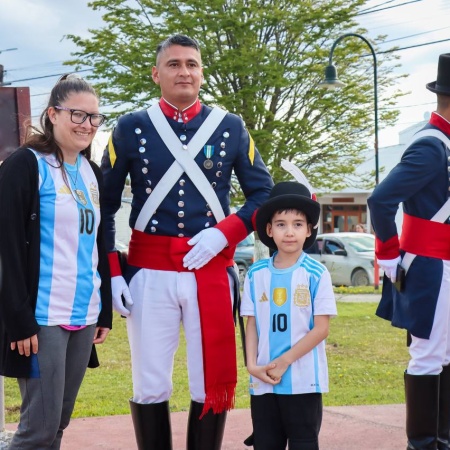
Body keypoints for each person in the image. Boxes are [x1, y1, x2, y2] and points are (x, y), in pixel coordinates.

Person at [100, 34, 273, 449]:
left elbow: (263, 194)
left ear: (201, 73)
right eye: (174, 64)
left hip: (210, 272)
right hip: (148, 272)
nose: (184, 71)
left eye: (192, 64)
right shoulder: (130, 126)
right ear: (156, 73)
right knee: (149, 382)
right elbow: (103, 204)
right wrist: (112, 273)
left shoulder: (230, 127)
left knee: (208, 381)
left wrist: (223, 234)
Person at [0, 74, 112, 449]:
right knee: (38, 429)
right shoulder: (25, 165)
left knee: (59, 422)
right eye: (78, 115)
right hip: (41, 316)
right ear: (53, 114)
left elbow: (98, 245)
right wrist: (18, 319)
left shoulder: (91, 171)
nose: (88, 125)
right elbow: (8, 248)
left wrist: (105, 310)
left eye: (95, 117)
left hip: (84, 312)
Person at [367, 53, 450, 449]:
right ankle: (422, 443)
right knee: (428, 356)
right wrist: (388, 253)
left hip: (444, 266)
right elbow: (381, 201)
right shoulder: (432, 147)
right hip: (431, 268)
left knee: (446, 356)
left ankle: (443, 439)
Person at [240, 181, 337, 450]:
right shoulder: (255, 274)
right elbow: (252, 325)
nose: (289, 232)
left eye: (297, 224)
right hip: (263, 380)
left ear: (309, 230)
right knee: (266, 443)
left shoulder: (316, 273)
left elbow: (321, 329)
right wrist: (251, 365)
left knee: (304, 443)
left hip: (303, 380)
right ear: (269, 230)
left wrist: (285, 361)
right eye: (281, 224)